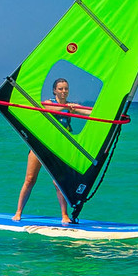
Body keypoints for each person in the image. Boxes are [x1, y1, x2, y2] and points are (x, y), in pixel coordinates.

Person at [12, 73, 87, 222]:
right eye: (60, 89)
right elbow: (48, 108)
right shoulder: (48, 103)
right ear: (54, 91)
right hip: (40, 146)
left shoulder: (70, 106)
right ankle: (18, 212)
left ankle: (64, 215)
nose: (64, 91)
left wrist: (113, 115)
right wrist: (66, 107)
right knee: (30, 179)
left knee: (58, 182)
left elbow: (89, 112)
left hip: (59, 149)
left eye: (66, 89)